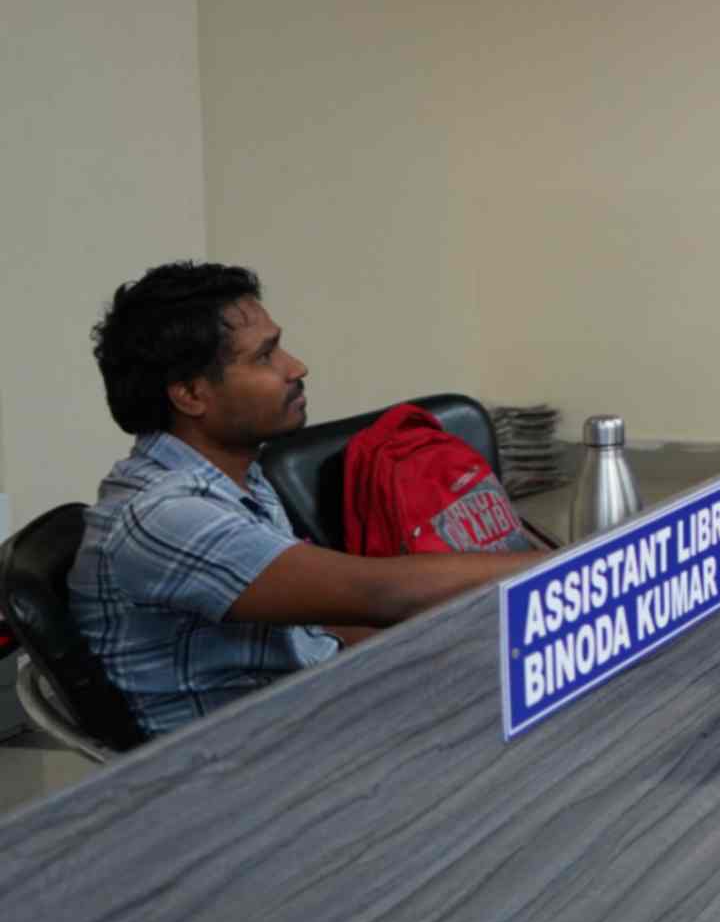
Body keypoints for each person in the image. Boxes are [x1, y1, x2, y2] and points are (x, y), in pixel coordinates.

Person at [72, 263, 542, 738]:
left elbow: (321, 630)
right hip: (245, 765)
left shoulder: (238, 478)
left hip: (307, 717)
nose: (295, 367)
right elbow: (381, 593)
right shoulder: (165, 516)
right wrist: (560, 567)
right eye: (265, 356)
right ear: (192, 394)